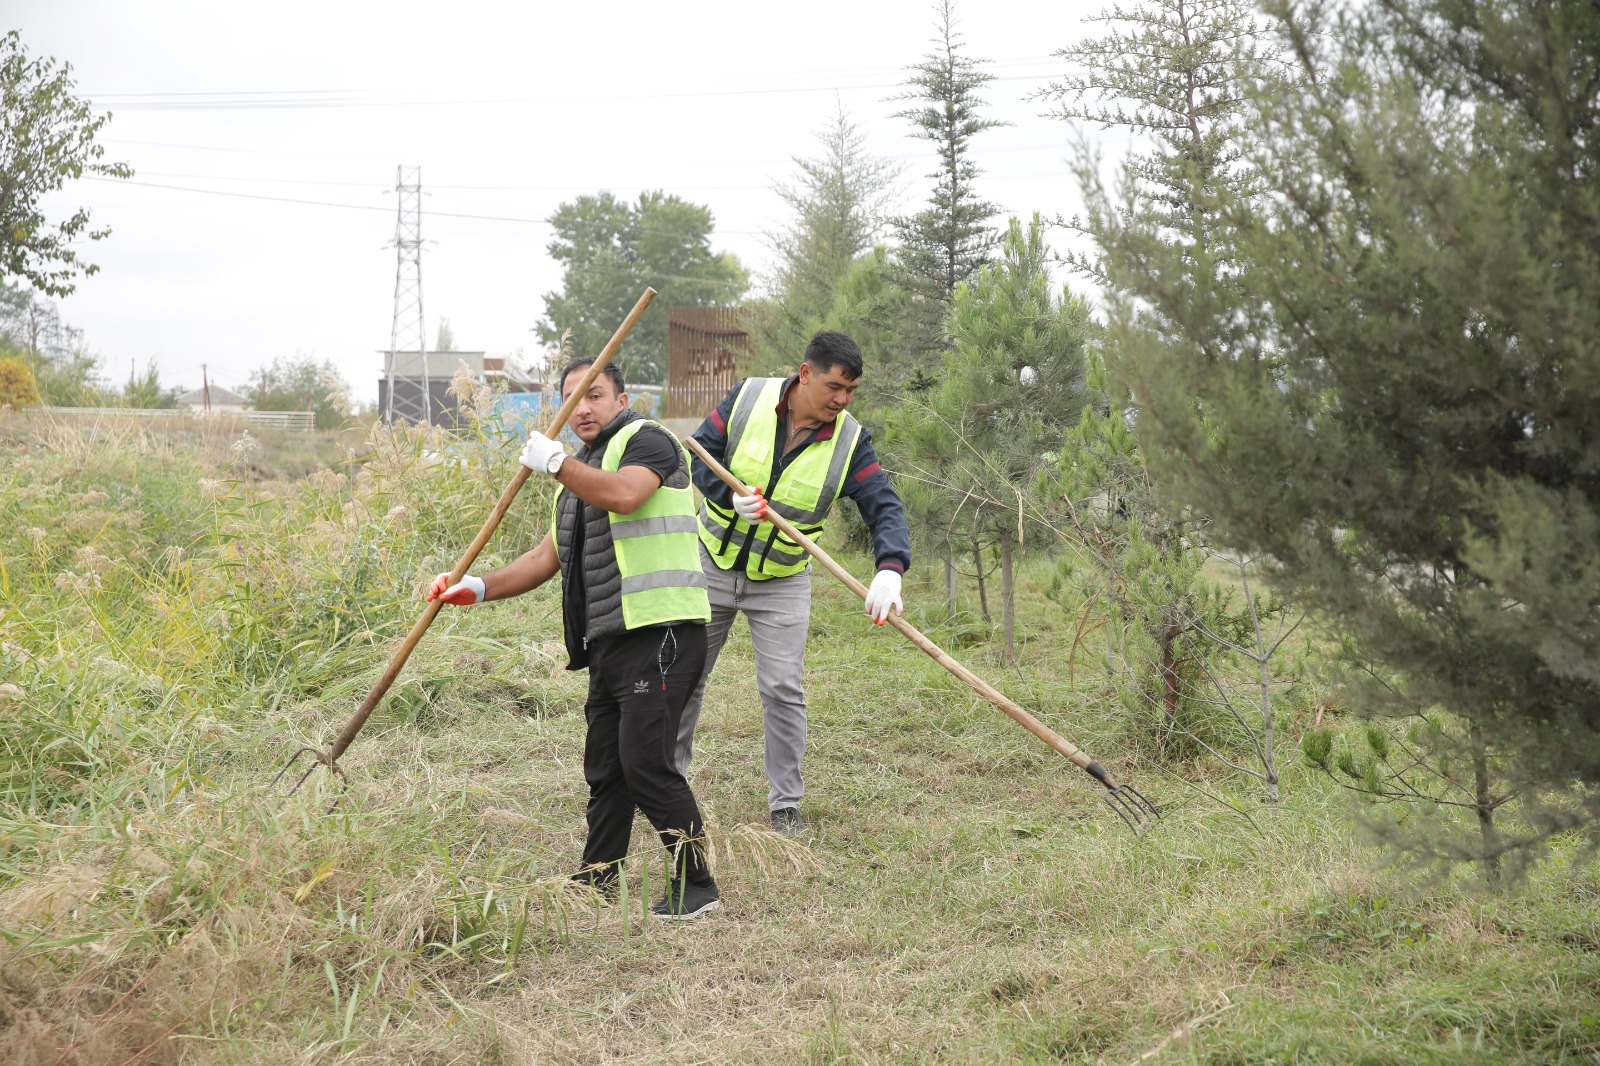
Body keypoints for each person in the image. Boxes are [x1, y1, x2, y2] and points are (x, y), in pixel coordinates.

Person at [427, 359, 721, 919]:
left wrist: (557, 463)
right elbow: (547, 557)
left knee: (644, 764)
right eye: (571, 398)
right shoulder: (580, 472)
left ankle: (698, 881)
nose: (582, 407)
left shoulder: (648, 442)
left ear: (621, 397)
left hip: (660, 630)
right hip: (610, 639)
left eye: (595, 394)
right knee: (606, 766)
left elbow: (627, 496)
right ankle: (598, 877)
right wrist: (478, 587)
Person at [677, 330, 911, 837]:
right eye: (834, 386)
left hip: (781, 580)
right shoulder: (747, 398)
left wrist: (890, 568)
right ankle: (666, 783)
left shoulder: (850, 441)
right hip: (711, 563)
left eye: (851, 391)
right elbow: (698, 453)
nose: (842, 399)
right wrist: (724, 494)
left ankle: (786, 805)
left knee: (783, 689)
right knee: (685, 677)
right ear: (805, 373)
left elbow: (883, 505)